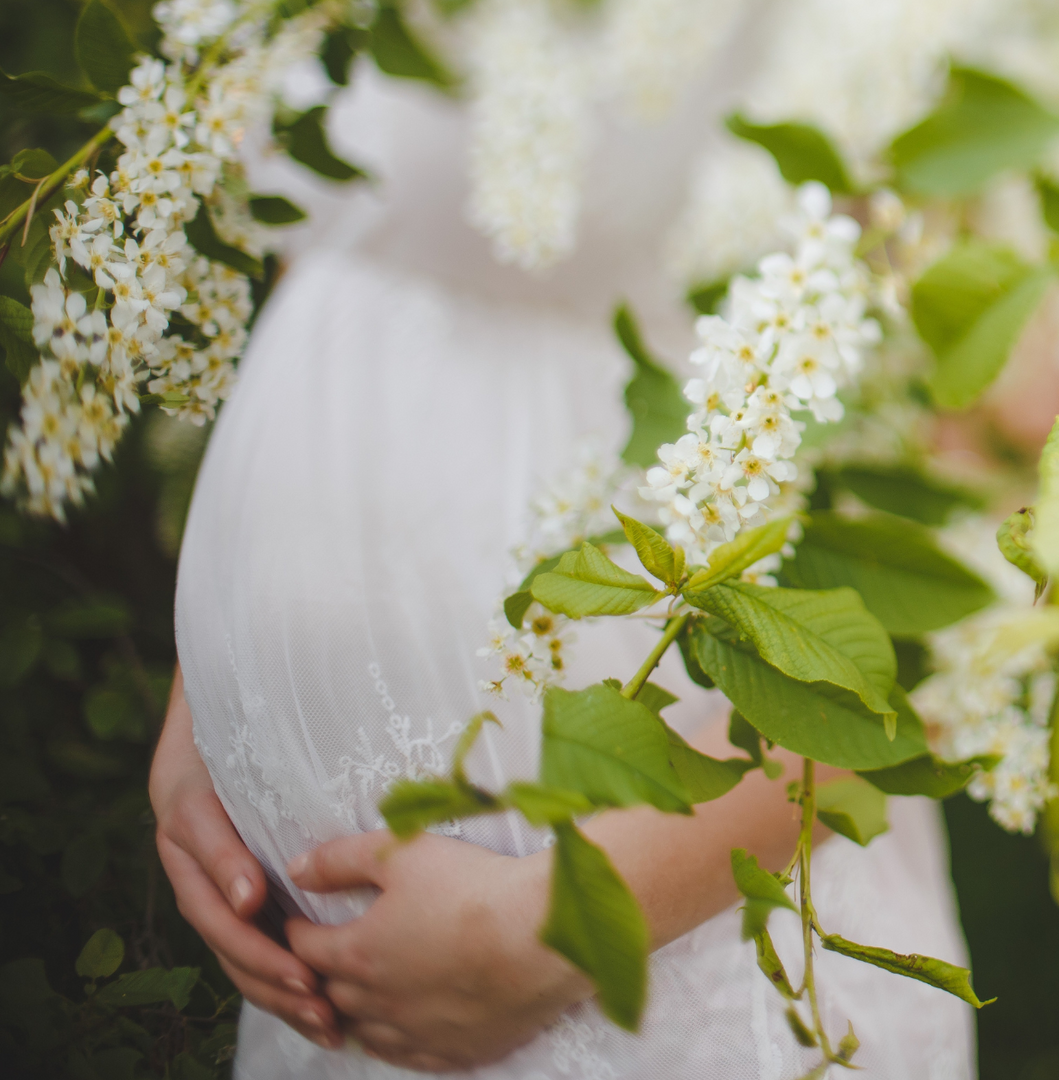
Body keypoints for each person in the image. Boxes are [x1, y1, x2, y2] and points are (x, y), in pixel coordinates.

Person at [146, 48, 975, 1079]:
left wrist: (561, 925)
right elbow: (334, 247)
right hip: (322, 985)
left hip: (662, 951)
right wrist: (207, 723)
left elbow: (991, 522)